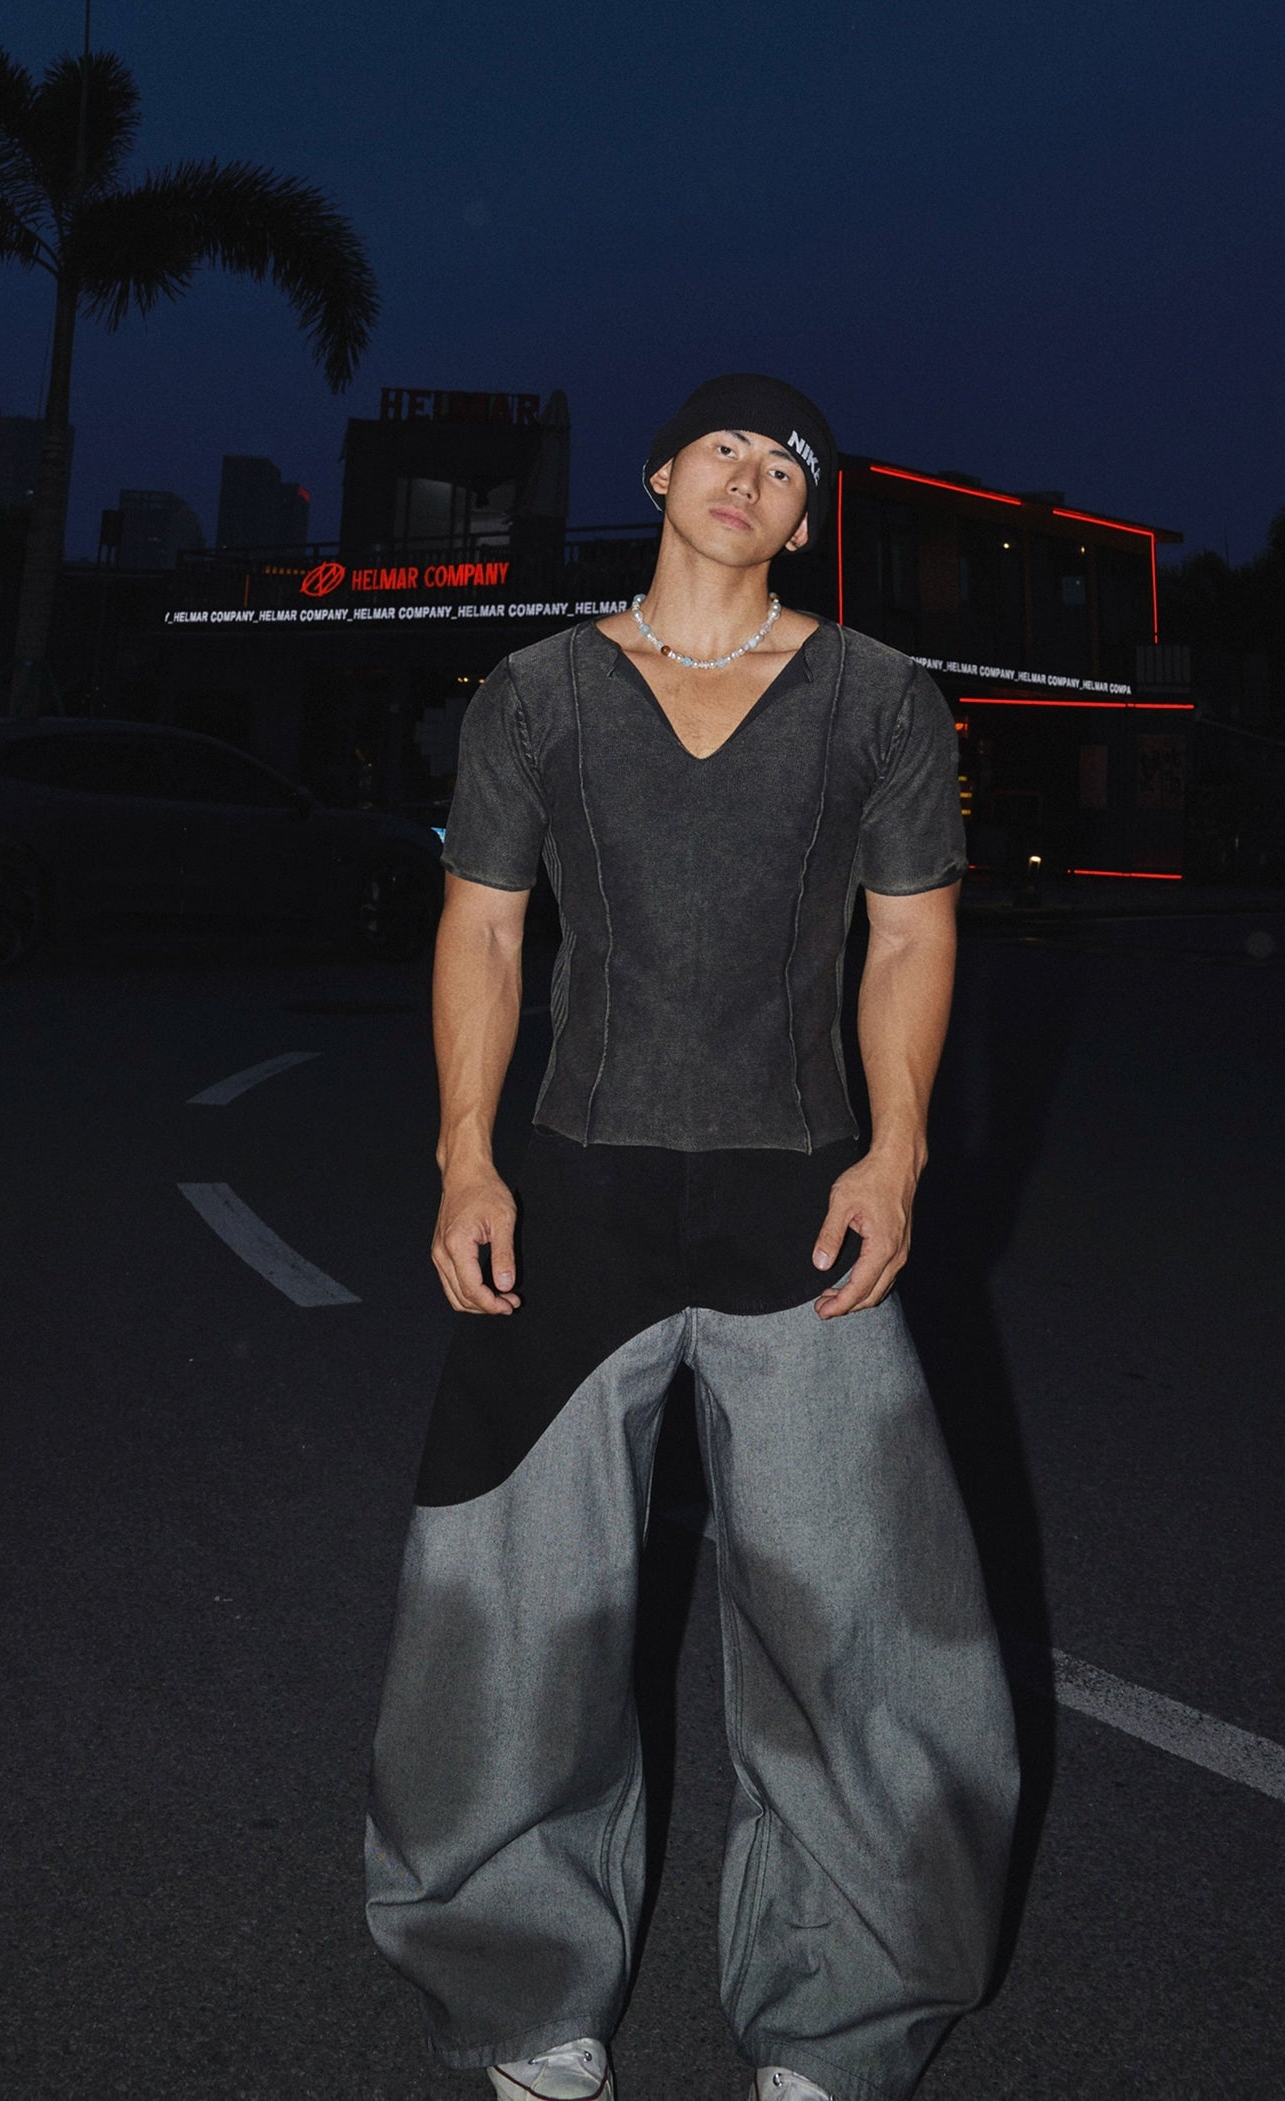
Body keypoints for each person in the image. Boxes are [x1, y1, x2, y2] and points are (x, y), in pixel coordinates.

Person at [365, 376, 1018, 2101]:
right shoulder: (537, 692)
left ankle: (840, 2018)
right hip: (573, 1201)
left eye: (787, 466)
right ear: (661, 473)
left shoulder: (877, 696)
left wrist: (896, 1154)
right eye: (724, 443)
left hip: (798, 1209)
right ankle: (523, 1996)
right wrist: (464, 1155)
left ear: (805, 522)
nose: (751, 473)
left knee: (861, 1629)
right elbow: (484, 930)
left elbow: (911, 939)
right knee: (514, 1622)